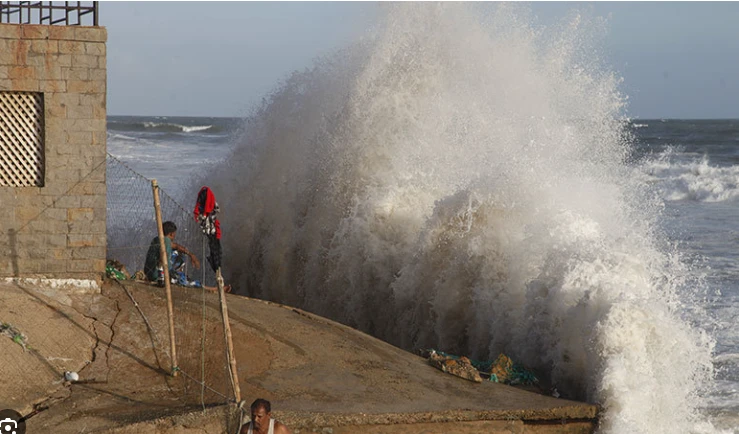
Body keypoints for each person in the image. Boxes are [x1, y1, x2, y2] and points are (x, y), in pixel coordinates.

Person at [143, 221, 230, 292]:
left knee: (178, 252)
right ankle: (213, 289)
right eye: (174, 233)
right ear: (171, 234)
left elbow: (176, 246)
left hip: (149, 270)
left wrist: (191, 255)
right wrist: (162, 277)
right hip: (156, 274)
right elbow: (163, 258)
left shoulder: (159, 239)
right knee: (186, 281)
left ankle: (175, 273)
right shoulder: (166, 242)